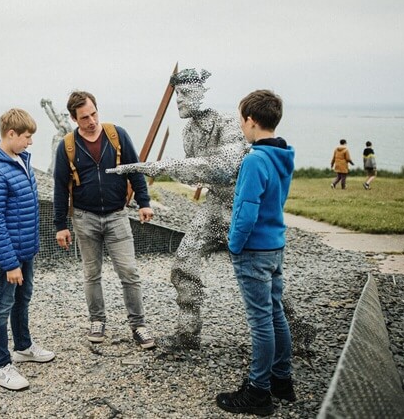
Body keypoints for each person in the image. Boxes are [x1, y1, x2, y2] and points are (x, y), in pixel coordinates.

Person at [107, 68, 248, 349]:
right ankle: (188, 333)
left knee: (257, 273)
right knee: (183, 264)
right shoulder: (190, 133)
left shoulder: (228, 124)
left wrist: (155, 166)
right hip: (214, 206)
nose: (179, 101)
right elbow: (194, 174)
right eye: (176, 95)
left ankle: (292, 328)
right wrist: (166, 169)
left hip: (241, 208)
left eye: (184, 94)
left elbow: (222, 168)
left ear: (201, 94)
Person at [53, 90, 156, 349]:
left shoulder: (117, 135)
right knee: (91, 273)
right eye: (85, 117)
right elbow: (59, 187)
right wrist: (60, 226)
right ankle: (97, 320)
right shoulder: (67, 146)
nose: (91, 121)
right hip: (84, 219)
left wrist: (144, 202)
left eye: (94, 113)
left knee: (129, 272)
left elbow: (135, 169)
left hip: (117, 216)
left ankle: (139, 325)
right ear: (74, 119)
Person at [216, 90, 296, 416]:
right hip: (275, 246)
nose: (240, 126)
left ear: (251, 121)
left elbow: (246, 212)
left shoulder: (254, 160)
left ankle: (259, 393)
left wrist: (234, 245)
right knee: (275, 313)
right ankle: (282, 379)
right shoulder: (283, 154)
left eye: (241, 120)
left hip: (253, 251)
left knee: (260, 321)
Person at [0, 108, 55, 391]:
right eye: (26, 136)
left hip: (24, 250)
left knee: (23, 299)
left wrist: (27, 252)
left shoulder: (19, 159)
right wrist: (10, 263)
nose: (30, 142)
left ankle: (23, 346)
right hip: (7, 255)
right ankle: (0, 366)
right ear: (10, 134)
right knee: (1, 307)